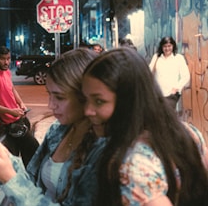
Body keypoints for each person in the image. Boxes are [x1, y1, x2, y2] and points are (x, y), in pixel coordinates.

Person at [0, 48, 107, 205]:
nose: (50, 105)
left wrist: (9, 178)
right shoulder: (57, 130)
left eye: (59, 97)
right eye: (49, 94)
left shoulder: (105, 151)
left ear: (85, 95)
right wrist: (6, 162)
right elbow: (33, 179)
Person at [82, 48, 208, 206]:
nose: (87, 110)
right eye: (84, 99)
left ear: (128, 101)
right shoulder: (188, 132)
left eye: (99, 101)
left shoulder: (131, 165)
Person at [0, 46, 39, 166]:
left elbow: (12, 89)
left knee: (24, 154)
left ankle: (28, 178)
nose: (6, 62)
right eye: (3, 59)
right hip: (9, 124)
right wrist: (11, 111)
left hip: (18, 118)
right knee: (33, 148)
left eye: (8, 58)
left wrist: (21, 103)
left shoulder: (6, 72)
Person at [149, 36, 190, 110]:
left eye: (169, 46)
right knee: (159, 116)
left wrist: (176, 88)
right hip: (158, 95)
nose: (167, 48)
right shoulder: (156, 57)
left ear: (173, 46)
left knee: (168, 115)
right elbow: (148, 72)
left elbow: (186, 76)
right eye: (165, 46)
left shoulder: (178, 58)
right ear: (161, 47)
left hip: (172, 95)